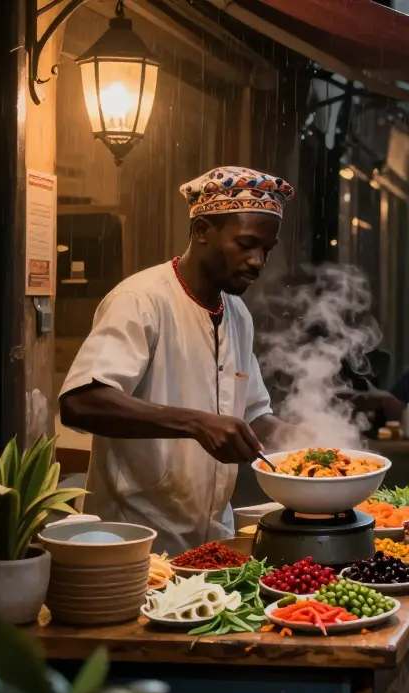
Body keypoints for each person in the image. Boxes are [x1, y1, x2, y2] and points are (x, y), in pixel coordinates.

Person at [59, 167, 295, 554]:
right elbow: (81, 402)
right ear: (202, 230)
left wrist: (300, 439)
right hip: (135, 540)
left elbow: (253, 414)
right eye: (247, 244)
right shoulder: (141, 300)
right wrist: (196, 422)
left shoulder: (237, 314)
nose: (258, 261)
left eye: (266, 250)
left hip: (214, 541)